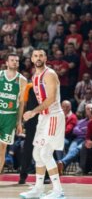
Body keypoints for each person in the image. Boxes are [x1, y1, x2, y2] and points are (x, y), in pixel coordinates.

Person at [21, 49, 66, 199]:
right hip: (44, 118)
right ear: (32, 59)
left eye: (41, 55)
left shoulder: (50, 74)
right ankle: (38, 189)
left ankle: (58, 191)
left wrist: (32, 112)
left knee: (46, 153)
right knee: (36, 154)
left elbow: (51, 99)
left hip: (54, 117)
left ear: (46, 58)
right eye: (35, 56)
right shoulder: (34, 76)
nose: (38, 58)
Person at [0, 54, 27, 173]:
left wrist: (19, 122)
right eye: (12, 60)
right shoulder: (0, 75)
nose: (15, 62)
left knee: (2, 148)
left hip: (10, 116)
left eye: (17, 60)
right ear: (7, 63)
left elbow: (21, 103)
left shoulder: (22, 80)